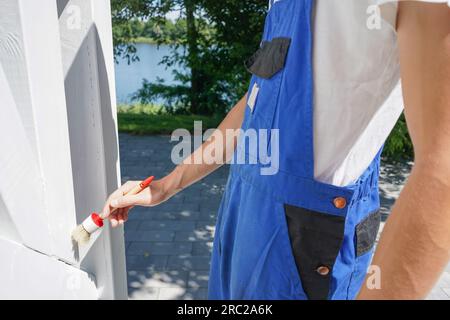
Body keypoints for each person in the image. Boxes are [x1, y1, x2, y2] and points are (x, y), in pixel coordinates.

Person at [102, 0, 450, 300]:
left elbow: (443, 167)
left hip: (306, 242)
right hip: (243, 222)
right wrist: (168, 185)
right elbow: (257, 103)